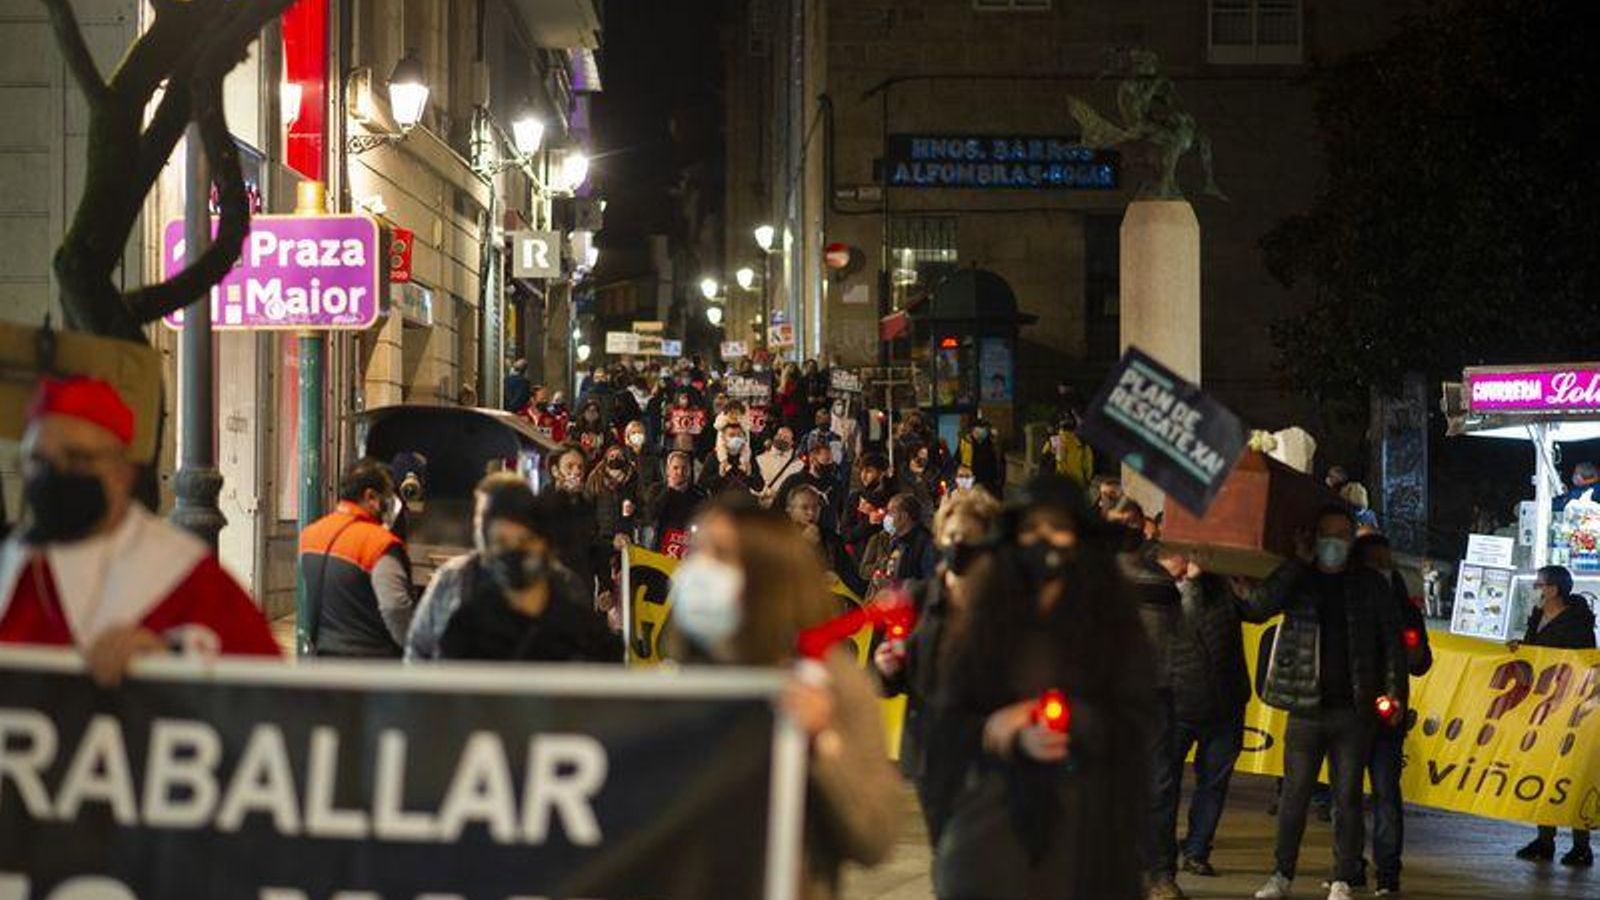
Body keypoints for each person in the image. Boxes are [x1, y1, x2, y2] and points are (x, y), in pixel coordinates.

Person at [882, 476, 1154, 899]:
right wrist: (998, 728)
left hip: (1086, 818)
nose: (1043, 541)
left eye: (1057, 528)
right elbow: (952, 715)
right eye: (1031, 529)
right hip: (996, 815)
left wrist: (1071, 720)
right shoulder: (988, 617)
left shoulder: (1113, 622)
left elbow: (1135, 718)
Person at [668, 500, 899, 898]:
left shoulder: (830, 682)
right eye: (695, 551)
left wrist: (825, 742)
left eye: (720, 554)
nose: (699, 569)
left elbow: (875, 836)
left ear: (767, 574)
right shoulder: (675, 679)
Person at [0, 377, 279, 681]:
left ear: (123, 474)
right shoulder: (13, 565)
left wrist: (168, 667)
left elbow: (268, 696)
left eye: (77, 458)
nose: (52, 476)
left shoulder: (193, 581)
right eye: (37, 461)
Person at [1243, 506, 1409, 900]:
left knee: (1347, 798)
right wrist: (1296, 563)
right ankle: (1281, 874)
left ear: (1352, 539)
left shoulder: (1370, 584)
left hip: (1354, 711)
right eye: (1326, 533)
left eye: (1341, 534)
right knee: (1293, 799)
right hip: (1305, 709)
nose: (1333, 541)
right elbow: (1256, 608)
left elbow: (1392, 645)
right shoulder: (1299, 579)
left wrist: (1394, 692)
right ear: (1314, 537)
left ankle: (1342, 877)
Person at [406, 475, 617, 661]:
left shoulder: (566, 586)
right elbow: (421, 651)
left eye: (524, 540)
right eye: (501, 539)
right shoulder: (456, 583)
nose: (514, 551)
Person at [1150, 549, 1252, 888]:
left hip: (1226, 703)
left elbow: (1257, 609)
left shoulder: (1221, 585)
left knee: (1214, 783)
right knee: (1165, 786)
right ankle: (1161, 861)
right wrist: (1190, 583)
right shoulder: (1157, 592)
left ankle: (1197, 850)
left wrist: (1243, 586)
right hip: (1176, 705)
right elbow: (1185, 620)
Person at [1351, 533, 1434, 894]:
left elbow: (1421, 663)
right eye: (1376, 562)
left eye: (1387, 562)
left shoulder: (1406, 608)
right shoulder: (1345, 602)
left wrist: (1413, 654)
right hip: (1349, 714)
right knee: (1346, 794)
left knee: (1386, 793)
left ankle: (1388, 872)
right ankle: (1349, 866)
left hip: (1388, 716)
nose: (1383, 569)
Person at [1508, 564, 1596, 867]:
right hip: (1541, 705)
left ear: (1554, 589)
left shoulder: (1578, 622)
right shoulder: (1538, 615)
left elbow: (1584, 663)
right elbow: (1533, 651)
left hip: (1569, 706)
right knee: (1543, 770)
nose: (1537, 589)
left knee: (1570, 773)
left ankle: (1581, 844)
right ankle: (1545, 839)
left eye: (1540, 584)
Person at [299, 458, 416, 658]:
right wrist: (415, 648)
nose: (389, 506)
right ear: (370, 496)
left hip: (324, 659)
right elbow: (395, 608)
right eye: (387, 498)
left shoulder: (309, 535)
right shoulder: (378, 544)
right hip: (370, 666)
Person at [541, 445, 609, 606]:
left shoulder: (586, 505)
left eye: (580, 467)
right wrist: (563, 497)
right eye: (569, 466)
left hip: (581, 590)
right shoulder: (543, 503)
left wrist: (605, 586)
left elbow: (596, 546)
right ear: (555, 471)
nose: (577, 471)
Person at [786, 484, 865, 596]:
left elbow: (850, 576)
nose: (811, 513)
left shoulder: (831, 538)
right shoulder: (779, 540)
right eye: (804, 508)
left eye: (815, 507)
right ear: (790, 511)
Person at [859, 493, 938, 597]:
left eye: (891, 513)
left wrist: (895, 586)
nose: (887, 517)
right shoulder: (897, 542)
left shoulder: (925, 544)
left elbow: (931, 586)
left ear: (904, 516)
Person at [643, 450, 706, 558]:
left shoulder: (699, 494)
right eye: (675, 468)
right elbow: (650, 515)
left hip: (690, 551)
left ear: (690, 470)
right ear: (668, 470)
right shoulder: (656, 490)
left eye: (684, 468)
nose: (680, 472)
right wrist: (669, 490)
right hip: (661, 547)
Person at [776, 436, 845, 531]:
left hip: (827, 539)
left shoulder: (835, 484)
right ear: (812, 460)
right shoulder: (793, 481)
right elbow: (777, 510)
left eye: (831, 461)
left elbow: (842, 513)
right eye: (826, 461)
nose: (830, 465)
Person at [586, 443, 643, 544]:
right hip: (602, 534)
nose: (615, 458)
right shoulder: (596, 478)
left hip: (626, 534)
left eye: (619, 456)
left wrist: (635, 508)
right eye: (612, 456)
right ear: (606, 458)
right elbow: (588, 505)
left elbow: (641, 503)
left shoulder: (633, 478)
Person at [841, 451, 895, 554]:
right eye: (862, 471)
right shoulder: (855, 498)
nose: (864, 476)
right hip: (860, 556)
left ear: (882, 473)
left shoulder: (893, 497)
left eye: (869, 471)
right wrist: (868, 522)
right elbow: (846, 534)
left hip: (885, 553)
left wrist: (879, 515)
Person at [701, 421, 763, 497]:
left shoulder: (748, 456)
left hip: (743, 503)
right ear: (723, 438)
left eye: (739, 435)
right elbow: (702, 484)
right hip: (720, 504)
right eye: (731, 435)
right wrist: (719, 476)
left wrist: (750, 474)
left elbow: (759, 487)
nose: (736, 438)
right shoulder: (714, 456)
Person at [1039, 412, 1095, 488]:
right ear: (1075, 428)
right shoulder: (1083, 444)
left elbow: (1043, 461)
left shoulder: (1053, 441)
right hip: (1077, 484)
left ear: (1059, 427)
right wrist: (1087, 481)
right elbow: (1088, 466)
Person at [756, 425, 803, 507]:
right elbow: (755, 484)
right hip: (765, 506)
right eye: (780, 435)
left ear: (792, 442)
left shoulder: (799, 464)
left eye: (786, 437)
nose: (782, 439)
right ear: (774, 437)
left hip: (787, 507)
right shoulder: (760, 459)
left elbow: (798, 489)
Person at [957, 417, 1006, 497]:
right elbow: (959, 463)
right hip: (970, 485)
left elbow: (1001, 464)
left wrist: (999, 483)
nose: (981, 431)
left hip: (990, 486)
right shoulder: (966, 444)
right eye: (979, 428)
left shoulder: (993, 445)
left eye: (984, 428)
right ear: (973, 430)